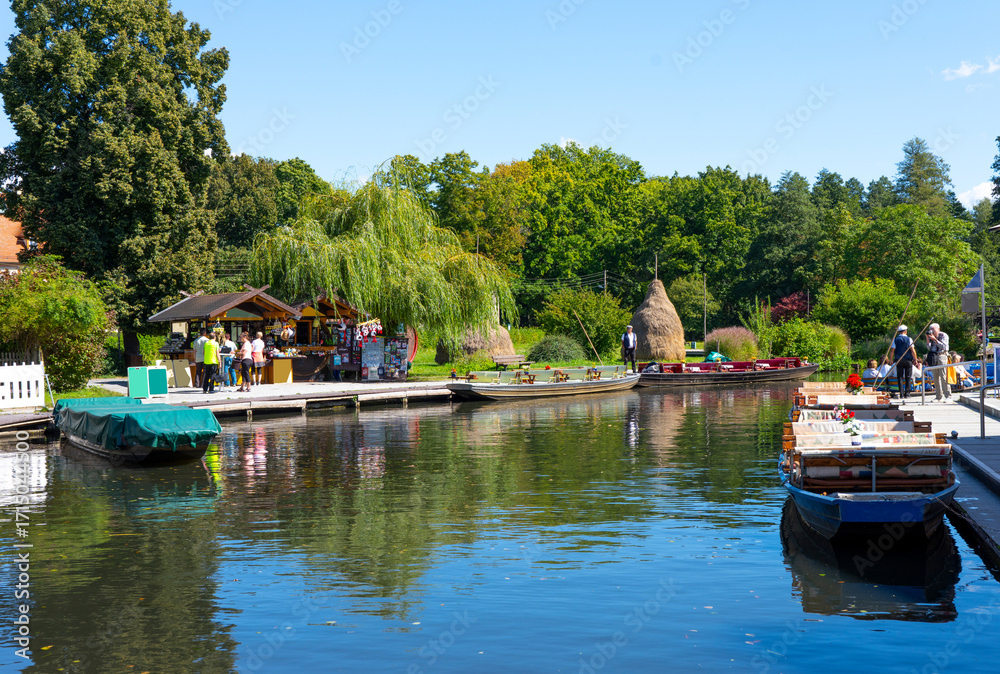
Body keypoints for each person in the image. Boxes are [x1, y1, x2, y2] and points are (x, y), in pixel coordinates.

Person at [889, 324, 917, 399]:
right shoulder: (909, 339)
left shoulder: (895, 340)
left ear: (899, 332)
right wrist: (915, 359)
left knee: (900, 377)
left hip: (899, 360)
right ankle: (907, 393)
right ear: (905, 331)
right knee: (908, 377)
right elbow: (912, 350)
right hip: (908, 360)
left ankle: (901, 393)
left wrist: (891, 359)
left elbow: (892, 350)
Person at [926, 323, 951, 401]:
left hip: (941, 355)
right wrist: (927, 338)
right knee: (935, 377)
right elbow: (928, 347)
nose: (932, 331)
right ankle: (938, 396)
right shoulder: (930, 336)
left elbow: (944, 346)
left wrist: (935, 340)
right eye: (931, 330)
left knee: (943, 376)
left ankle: (948, 396)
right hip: (933, 356)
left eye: (933, 329)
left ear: (938, 329)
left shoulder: (943, 335)